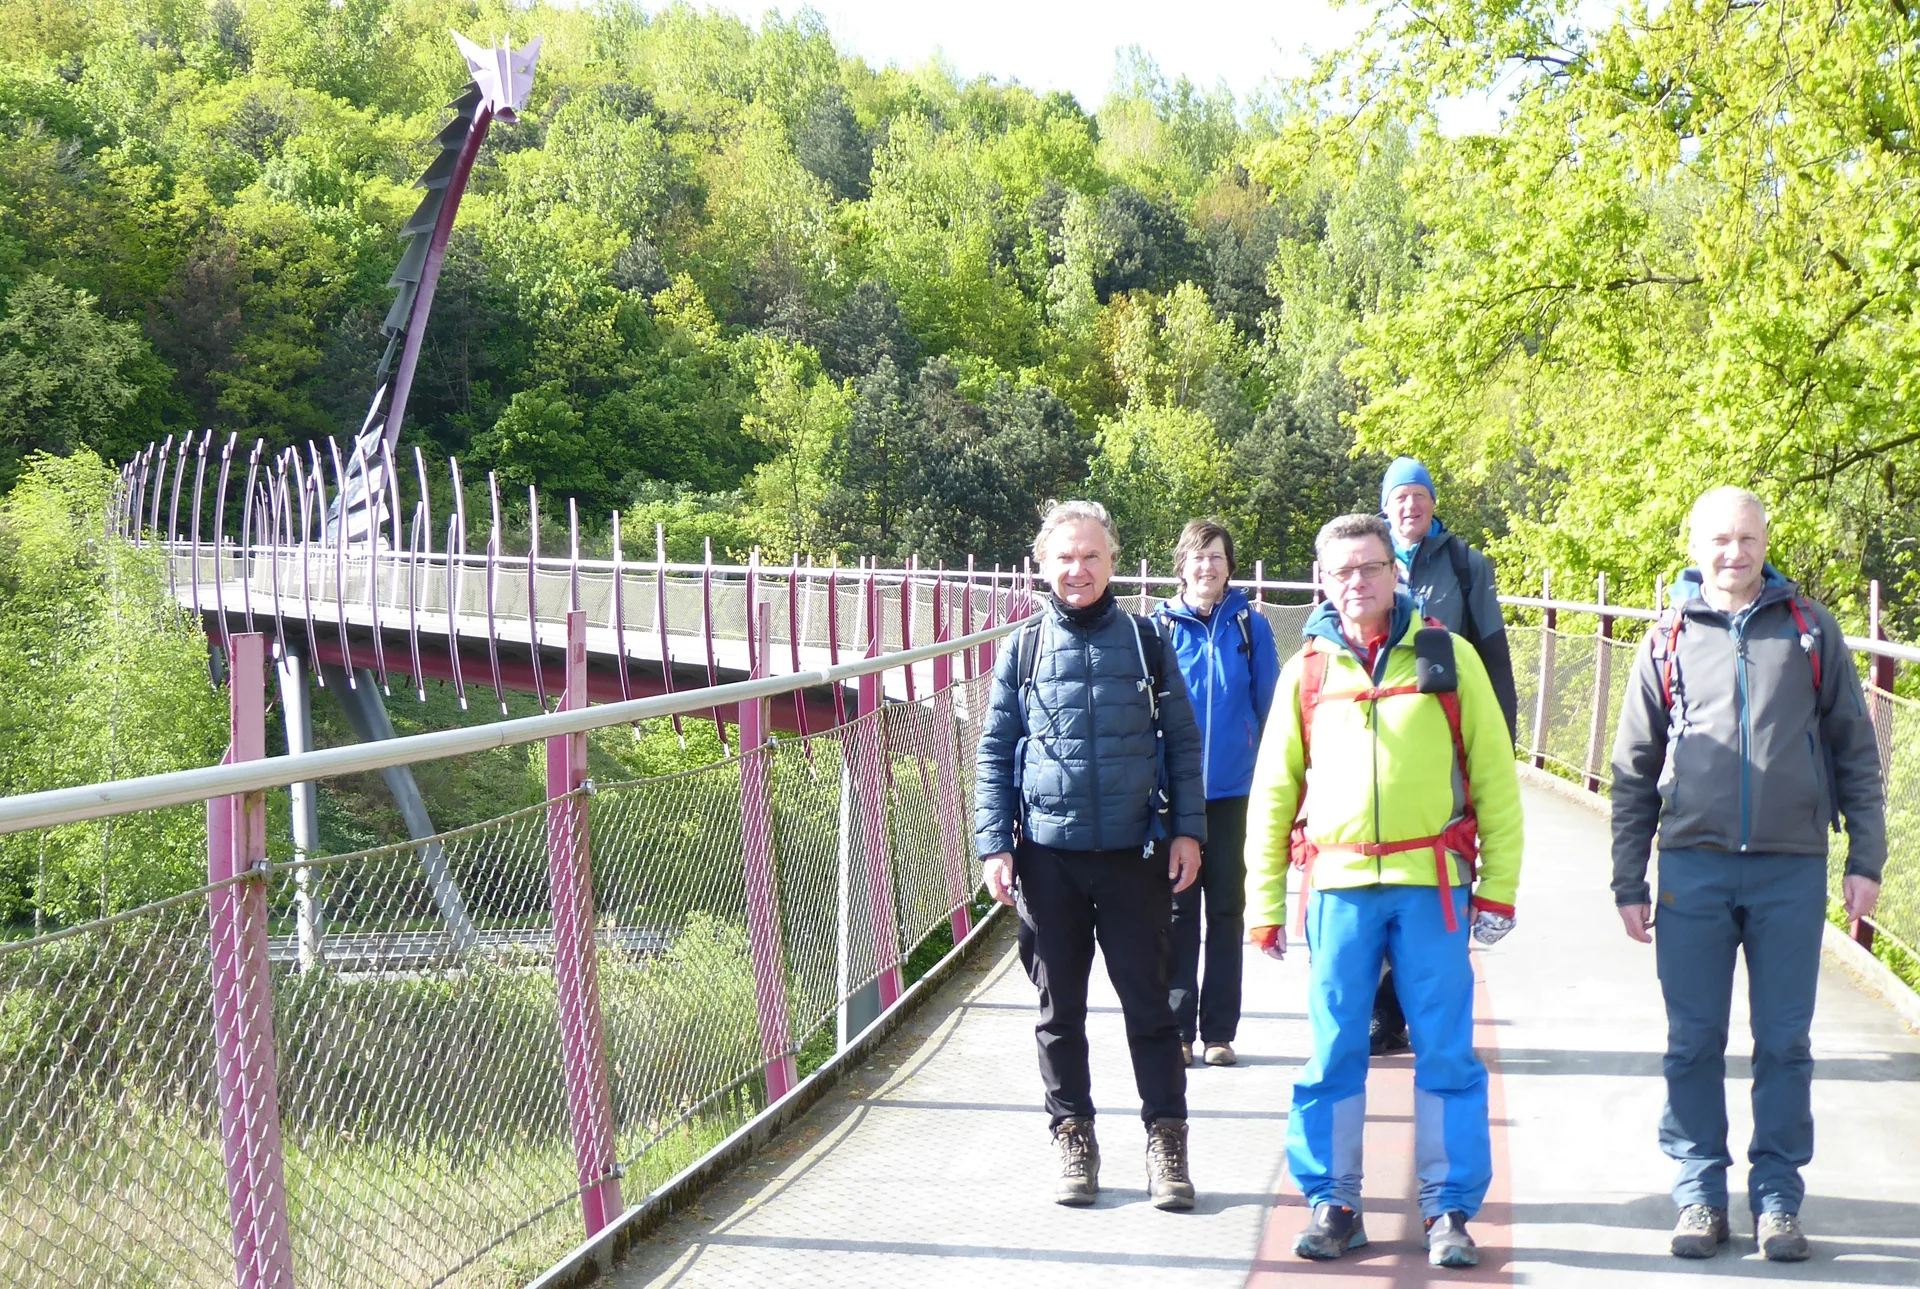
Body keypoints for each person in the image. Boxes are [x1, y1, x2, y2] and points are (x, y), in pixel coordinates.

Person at [1611, 486, 1885, 1263]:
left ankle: (1776, 1200)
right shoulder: (1665, 638)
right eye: (1719, 540)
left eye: (1747, 538)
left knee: (1786, 1041)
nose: (1734, 553)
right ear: (1694, 546)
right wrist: (1628, 876)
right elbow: (1632, 768)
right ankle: (1699, 1193)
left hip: (1790, 869)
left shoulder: (1810, 631)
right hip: (1692, 868)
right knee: (1692, 1041)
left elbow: (1855, 753)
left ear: (1767, 541)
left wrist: (1867, 858)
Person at [1244, 512, 1524, 1269]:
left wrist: (1498, 887)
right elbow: (1274, 790)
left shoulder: (1448, 655)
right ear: (1321, 581)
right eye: (1342, 571)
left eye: (1370, 567)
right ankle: (1334, 1201)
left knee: (1445, 1049)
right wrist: (1262, 902)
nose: (1357, 581)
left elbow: (1495, 777)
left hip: (1430, 886)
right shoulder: (1305, 670)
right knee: (1333, 1048)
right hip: (1336, 886)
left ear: (1393, 572)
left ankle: (1449, 1207)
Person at [974, 499, 1208, 1211]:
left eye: (1091, 556)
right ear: (1041, 564)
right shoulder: (1022, 648)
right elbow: (992, 751)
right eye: (1064, 557)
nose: (1077, 569)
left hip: (1136, 852)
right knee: (1058, 1011)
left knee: (1153, 1009)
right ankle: (1072, 1134)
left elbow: (1182, 743)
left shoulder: (1146, 641)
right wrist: (993, 844)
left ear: (1112, 561)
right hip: (1049, 858)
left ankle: (1166, 1141)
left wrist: (1189, 830)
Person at [1373, 456, 1521, 1054]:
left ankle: (1418, 1008)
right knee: (1381, 875)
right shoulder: (1367, 560)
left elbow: (1493, 657)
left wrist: (1497, 748)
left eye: (1420, 497)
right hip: (1381, 744)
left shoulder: (1466, 566)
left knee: (1441, 876)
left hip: (1448, 744)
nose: (1410, 507)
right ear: (1386, 507)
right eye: (1400, 498)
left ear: (1433, 504)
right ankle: (1383, 1014)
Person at [1153, 519, 1280, 1068]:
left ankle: (1219, 1033)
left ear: (1230, 566)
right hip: (1176, 794)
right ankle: (1178, 1027)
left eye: (1218, 557)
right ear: (1182, 565)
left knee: (1227, 910)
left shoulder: (1251, 626)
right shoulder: (1158, 627)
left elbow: (1272, 709)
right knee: (1178, 911)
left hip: (1235, 792)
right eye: (1198, 557)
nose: (1208, 567)